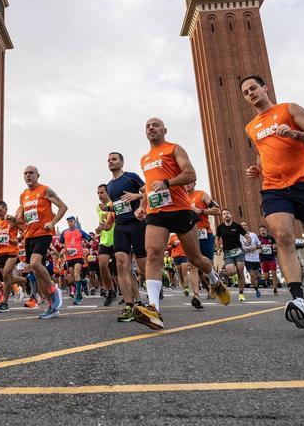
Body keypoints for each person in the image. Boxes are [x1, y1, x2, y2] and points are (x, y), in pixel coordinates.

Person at [239, 76, 304, 330]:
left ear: (265, 88)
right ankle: (299, 302)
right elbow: (263, 152)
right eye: (245, 92)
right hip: (273, 188)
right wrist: (259, 169)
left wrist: (295, 134)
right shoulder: (251, 127)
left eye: (253, 88)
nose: (250, 93)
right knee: (283, 237)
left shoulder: (289, 109)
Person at [131, 118, 230, 331]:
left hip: (180, 210)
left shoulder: (174, 149)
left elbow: (190, 174)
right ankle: (153, 309)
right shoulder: (144, 159)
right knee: (153, 255)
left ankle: (214, 280)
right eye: (147, 126)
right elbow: (150, 187)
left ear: (164, 130)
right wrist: (142, 205)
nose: (151, 128)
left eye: (155, 125)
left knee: (195, 258)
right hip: (156, 212)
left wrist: (168, 182)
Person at [15, 165, 68, 319]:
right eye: (25, 173)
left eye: (31, 173)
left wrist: (52, 223)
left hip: (43, 234)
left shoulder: (45, 190)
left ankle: (53, 288)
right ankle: (52, 306)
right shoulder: (23, 195)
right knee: (35, 271)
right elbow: (22, 217)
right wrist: (14, 219)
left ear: (38, 175)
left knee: (36, 263)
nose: (28, 176)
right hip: (29, 236)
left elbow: (63, 207)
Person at [105, 152, 146, 322]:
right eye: (108, 160)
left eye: (114, 159)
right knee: (122, 266)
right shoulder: (109, 186)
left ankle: (146, 304)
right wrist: (109, 210)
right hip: (120, 226)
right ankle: (129, 306)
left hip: (136, 224)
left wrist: (136, 196)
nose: (110, 162)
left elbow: (148, 193)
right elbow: (115, 206)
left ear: (121, 162)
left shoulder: (131, 177)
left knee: (144, 268)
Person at [216, 209, 248, 302]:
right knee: (230, 272)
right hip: (227, 252)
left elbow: (247, 236)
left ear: (231, 215)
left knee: (240, 270)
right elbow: (217, 238)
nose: (226, 215)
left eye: (227, 213)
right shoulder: (220, 227)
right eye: (224, 214)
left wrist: (248, 241)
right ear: (222, 217)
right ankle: (234, 278)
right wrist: (218, 248)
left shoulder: (237, 226)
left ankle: (241, 293)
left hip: (239, 251)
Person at [93, 185, 117, 306]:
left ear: (108, 192)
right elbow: (102, 224)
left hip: (118, 237)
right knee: (102, 265)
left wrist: (105, 226)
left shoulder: (114, 203)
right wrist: (98, 228)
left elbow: (109, 223)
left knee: (120, 271)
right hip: (105, 240)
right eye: (98, 193)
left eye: (102, 192)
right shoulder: (98, 207)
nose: (99, 195)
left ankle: (128, 293)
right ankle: (110, 291)